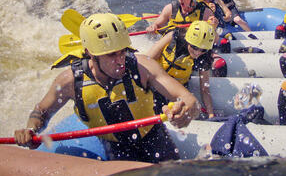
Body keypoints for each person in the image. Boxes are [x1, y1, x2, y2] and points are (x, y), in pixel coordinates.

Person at [14, 13, 199, 163]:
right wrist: (31, 130)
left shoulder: (142, 67)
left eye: (122, 52)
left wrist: (186, 111)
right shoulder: (70, 82)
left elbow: (190, 100)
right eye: (111, 55)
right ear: (90, 54)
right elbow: (42, 111)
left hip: (154, 138)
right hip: (116, 148)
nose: (120, 61)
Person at [146, 20, 217, 118]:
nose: (198, 53)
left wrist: (211, 114)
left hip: (178, 88)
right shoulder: (173, 37)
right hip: (157, 80)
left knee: (178, 111)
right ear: (188, 40)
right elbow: (148, 59)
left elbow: (205, 89)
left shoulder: (205, 57)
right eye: (194, 47)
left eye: (203, 50)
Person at [146, 0, 214, 35]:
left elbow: (211, 36)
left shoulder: (205, 12)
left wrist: (213, 26)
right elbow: (157, 25)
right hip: (172, 44)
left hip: (192, 48)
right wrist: (153, 27)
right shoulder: (170, 9)